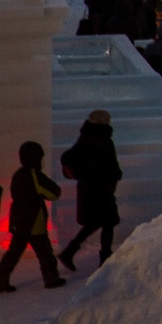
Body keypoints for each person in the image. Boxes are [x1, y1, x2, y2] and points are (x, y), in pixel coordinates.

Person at [0, 141, 66, 292]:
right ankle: (51, 279)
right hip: (34, 221)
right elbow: (53, 192)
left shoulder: (18, 174)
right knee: (45, 253)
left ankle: (0, 281)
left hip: (18, 220)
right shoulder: (34, 174)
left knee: (14, 252)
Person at [57, 110, 122, 270]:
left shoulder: (84, 138)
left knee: (96, 221)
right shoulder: (104, 140)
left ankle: (70, 251)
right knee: (107, 221)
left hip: (88, 188)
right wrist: (116, 176)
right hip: (102, 188)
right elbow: (111, 166)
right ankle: (105, 257)